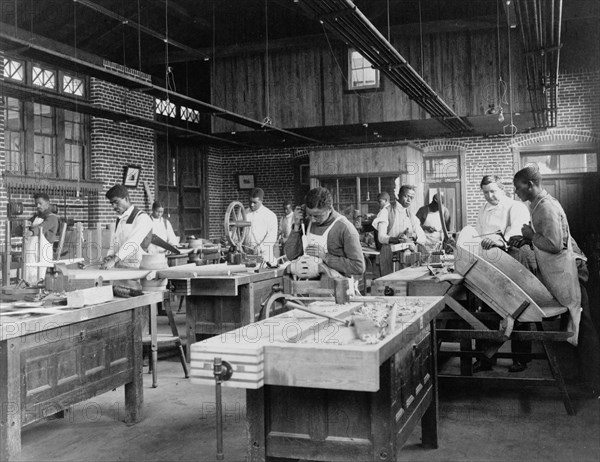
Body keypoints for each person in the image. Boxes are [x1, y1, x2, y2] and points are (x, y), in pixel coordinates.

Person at [512, 166, 600, 395]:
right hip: (565, 270)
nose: (516, 192)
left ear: (530, 184)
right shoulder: (538, 204)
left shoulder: (546, 206)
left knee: (584, 323)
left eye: (518, 187)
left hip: (572, 270)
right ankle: (585, 376)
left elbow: (555, 244)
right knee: (577, 322)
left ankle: (593, 383)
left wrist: (531, 236)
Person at [473, 175, 536, 373]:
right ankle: (486, 358)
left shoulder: (515, 207)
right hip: (491, 262)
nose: (489, 196)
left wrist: (501, 241)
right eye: (485, 192)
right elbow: (478, 233)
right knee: (487, 308)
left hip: (514, 258)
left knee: (518, 307)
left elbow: (519, 231)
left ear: (502, 189)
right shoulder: (483, 209)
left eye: (493, 191)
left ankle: (521, 358)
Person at [284, 187, 365, 283]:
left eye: (317, 216)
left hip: (337, 289)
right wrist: (296, 226)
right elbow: (291, 255)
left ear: (329, 209)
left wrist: (326, 257)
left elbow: (358, 267)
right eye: (310, 215)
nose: (313, 220)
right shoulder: (307, 222)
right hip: (308, 287)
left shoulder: (345, 228)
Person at [375, 185, 426, 276]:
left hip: (405, 256)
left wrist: (414, 236)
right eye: (406, 196)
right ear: (398, 195)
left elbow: (423, 238)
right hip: (388, 253)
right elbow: (381, 237)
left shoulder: (411, 216)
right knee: (389, 283)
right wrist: (396, 239)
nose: (409, 200)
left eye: (411, 198)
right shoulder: (386, 211)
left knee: (404, 284)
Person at [101, 184, 153, 270]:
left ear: (126, 199)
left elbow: (133, 242)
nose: (113, 206)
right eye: (112, 203)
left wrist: (114, 260)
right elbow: (114, 243)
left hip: (138, 269)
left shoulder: (142, 218)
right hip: (120, 269)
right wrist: (110, 256)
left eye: (116, 202)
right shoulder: (120, 220)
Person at [23, 192, 61, 283]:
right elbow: (27, 224)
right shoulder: (36, 217)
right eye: (36, 203)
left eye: (40, 203)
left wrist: (31, 231)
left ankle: (38, 285)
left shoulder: (52, 218)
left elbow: (42, 227)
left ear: (47, 204)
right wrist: (23, 226)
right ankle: (29, 284)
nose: (38, 206)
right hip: (32, 249)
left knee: (39, 273)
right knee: (29, 268)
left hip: (44, 251)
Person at [244, 187, 278, 265]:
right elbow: (238, 232)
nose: (251, 205)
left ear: (261, 201)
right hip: (247, 256)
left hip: (264, 257)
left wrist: (260, 248)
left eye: (255, 202)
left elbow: (271, 237)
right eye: (250, 201)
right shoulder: (244, 213)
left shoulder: (270, 216)